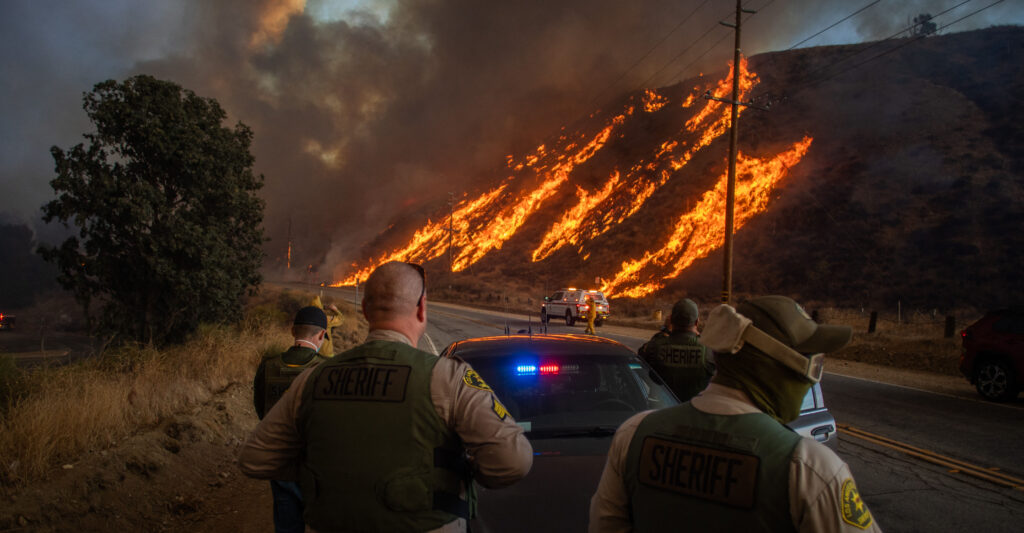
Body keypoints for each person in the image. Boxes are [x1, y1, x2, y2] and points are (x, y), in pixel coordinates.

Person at [239, 261, 533, 532]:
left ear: (365, 310)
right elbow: (513, 461)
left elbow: (255, 458)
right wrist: (461, 473)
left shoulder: (313, 378)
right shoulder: (448, 378)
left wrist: (323, 473)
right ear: (422, 308)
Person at [590, 295, 881, 533]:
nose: (811, 380)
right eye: (812, 364)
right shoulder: (809, 469)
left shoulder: (633, 436)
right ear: (779, 364)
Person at [251, 306, 331, 533]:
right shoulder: (324, 368)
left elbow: (261, 408)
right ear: (322, 335)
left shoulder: (268, 365)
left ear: (292, 330)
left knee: (286, 523)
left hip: (280, 457)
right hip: (315, 461)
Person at [638, 299, 713, 402]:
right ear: (696, 322)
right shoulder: (708, 350)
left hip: (664, 411)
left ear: (671, 320)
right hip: (696, 412)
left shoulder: (656, 347)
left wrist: (664, 330)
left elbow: (641, 355)